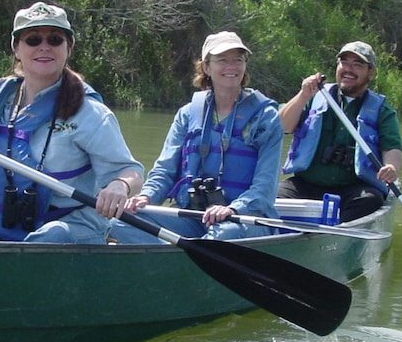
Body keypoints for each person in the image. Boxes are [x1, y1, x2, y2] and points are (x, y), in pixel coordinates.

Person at [0, 2, 144, 244]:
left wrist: (120, 186)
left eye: (55, 40)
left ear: (69, 48)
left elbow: (131, 172)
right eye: (33, 40)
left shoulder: (91, 114)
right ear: (16, 49)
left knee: (48, 239)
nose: (44, 47)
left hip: (64, 225)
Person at [109, 31, 283, 243]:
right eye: (222, 60)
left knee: (223, 234)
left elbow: (265, 188)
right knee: (121, 220)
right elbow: (164, 171)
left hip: (243, 220)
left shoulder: (265, 117)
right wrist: (147, 196)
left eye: (238, 60)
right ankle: (173, 264)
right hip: (191, 215)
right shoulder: (188, 114)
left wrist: (233, 208)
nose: (231, 67)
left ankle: (183, 263)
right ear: (206, 67)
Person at [277, 41, 402, 222]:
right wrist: (303, 95)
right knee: (274, 198)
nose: (348, 69)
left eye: (357, 65)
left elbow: (392, 147)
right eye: (344, 63)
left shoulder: (382, 110)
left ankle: (335, 236)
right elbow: (283, 126)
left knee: (370, 200)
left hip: (354, 190)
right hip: (306, 185)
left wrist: (391, 167)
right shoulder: (313, 96)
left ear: (371, 72)